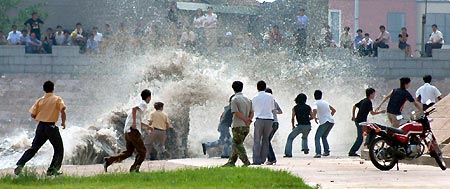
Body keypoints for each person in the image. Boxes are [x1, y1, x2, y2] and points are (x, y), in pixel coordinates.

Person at [14, 81, 67, 176]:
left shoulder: (40, 100)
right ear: (53, 88)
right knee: (59, 149)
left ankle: (20, 164)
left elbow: (32, 115)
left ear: (44, 89)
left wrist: (42, 117)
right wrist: (63, 122)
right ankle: (52, 170)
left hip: (41, 126)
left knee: (34, 148)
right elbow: (63, 110)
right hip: (51, 127)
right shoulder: (57, 99)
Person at [104, 89, 152, 173]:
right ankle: (134, 169)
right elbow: (134, 109)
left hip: (128, 131)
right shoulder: (144, 104)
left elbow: (138, 121)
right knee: (143, 151)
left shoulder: (140, 105)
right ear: (148, 97)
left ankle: (109, 160)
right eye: (150, 97)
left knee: (129, 152)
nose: (150, 99)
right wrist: (133, 123)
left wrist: (147, 126)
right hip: (133, 131)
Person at [222, 81, 253, 167]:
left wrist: (245, 119)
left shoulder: (234, 99)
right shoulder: (248, 99)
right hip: (246, 126)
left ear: (233, 88)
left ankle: (246, 161)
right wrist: (249, 120)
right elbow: (252, 112)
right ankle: (231, 162)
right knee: (235, 143)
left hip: (237, 125)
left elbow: (236, 113)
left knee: (238, 144)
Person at [349, 88, 386, 157]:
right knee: (360, 138)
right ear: (371, 94)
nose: (374, 95)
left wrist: (353, 116)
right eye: (374, 94)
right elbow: (372, 113)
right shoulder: (368, 102)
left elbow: (354, 106)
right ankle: (352, 152)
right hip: (361, 122)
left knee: (368, 133)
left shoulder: (364, 100)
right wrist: (381, 112)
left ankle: (368, 145)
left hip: (359, 121)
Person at [251, 81, 274, 165]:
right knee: (265, 140)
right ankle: (263, 159)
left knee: (257, 140)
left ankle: (256, 160)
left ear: (257, 88)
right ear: (265, 87)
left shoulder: (254, 97)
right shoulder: (270, 96)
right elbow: (272, 108)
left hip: (259, 119)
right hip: (269, 119)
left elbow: (253, 109)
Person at [284, 93, 312, 157]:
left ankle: (288, 153)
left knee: (290, 138)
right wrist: (307, 119)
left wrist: (293, 126)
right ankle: (305, 148)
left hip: (300, 126)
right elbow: (312, 116)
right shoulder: (308, 107)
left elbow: (292, 118)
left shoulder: (295, 108)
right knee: (304, 137)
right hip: (308, 126)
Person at [312, 90, 336, 158]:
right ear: (321, 95)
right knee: (324, 136)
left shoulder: (316, 103)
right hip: (331, 121)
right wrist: (329, 116)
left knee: (317, 137)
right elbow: (334, 110)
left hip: (324, 122)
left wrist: (315, 118)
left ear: (314, 96)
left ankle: (318, 153)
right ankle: (326, 151)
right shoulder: (326, 102)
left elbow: (314, 110)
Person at [265, 88, 282, 165]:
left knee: (266, 141)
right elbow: (280, 111)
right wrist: (274, 112)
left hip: (271, 123)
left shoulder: (266, 102)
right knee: (267, 141)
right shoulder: (274, 102)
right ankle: (270, 158)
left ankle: (271, 159)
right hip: (276, 123)